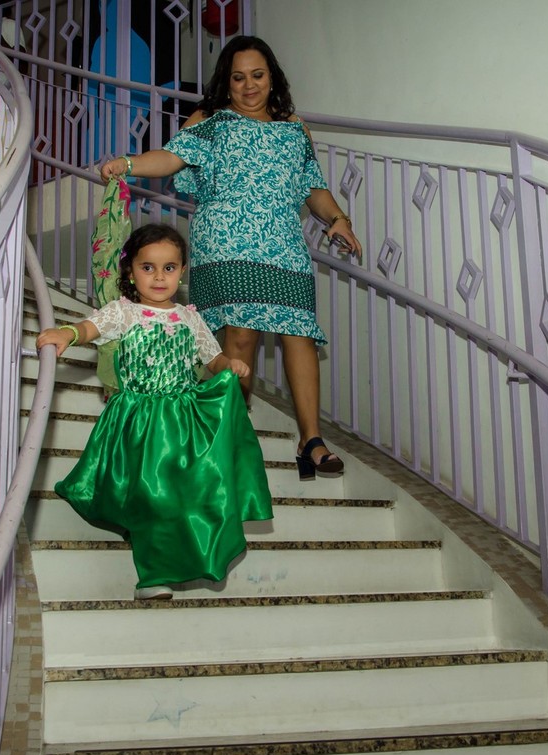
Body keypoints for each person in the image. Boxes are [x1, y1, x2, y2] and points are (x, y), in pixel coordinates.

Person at [99, 35, 362, 481]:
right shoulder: (211, 120)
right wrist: (128, 163)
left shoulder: (295, 128)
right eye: (238, 78)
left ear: (272, 78)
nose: (249, 85)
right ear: (227, 81)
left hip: (284, 243)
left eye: (257, 75)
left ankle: (311, 441)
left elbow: (313, 187)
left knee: (299, 333)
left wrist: (339, 219)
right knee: (239, 337)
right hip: (226, 242)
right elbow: (170, 158)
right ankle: (234, 439)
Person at [36, 224, 272, 599]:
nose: (159, 277)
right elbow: (90, 327)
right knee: (151, 494)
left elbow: (212, 358)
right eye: (148, 267)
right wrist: (68, 333)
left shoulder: (189, 317)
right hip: (138, 422)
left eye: (169, 268)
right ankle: (153, 576)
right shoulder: (123, 312)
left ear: (182, 271)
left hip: (181, 423)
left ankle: (173, 558)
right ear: (131, 272)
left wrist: (230, 365)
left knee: (181, 493)